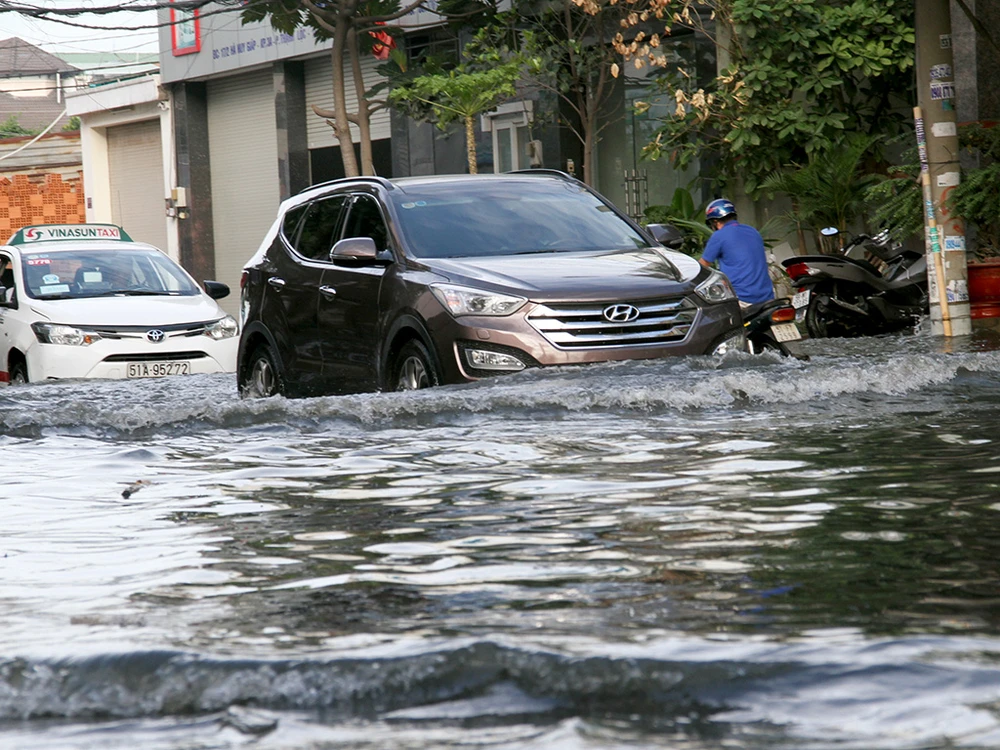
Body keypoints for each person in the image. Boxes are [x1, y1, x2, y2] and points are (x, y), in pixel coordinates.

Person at [698, 198, 774, 309]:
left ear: (715, 221)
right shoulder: (753, 231)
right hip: (767, 296)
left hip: (742, 299)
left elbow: (702, 266)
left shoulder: (719, 236)